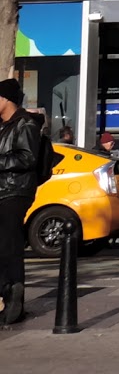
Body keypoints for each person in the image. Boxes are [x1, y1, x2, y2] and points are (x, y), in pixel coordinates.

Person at [0, 80, 43, 327]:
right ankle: (7, 295)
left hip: (15, 192)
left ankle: (14, 301)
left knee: (10, 246)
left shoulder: (25, 124)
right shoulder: (4, 126)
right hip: (3, 191)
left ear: (6, 100)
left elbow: (27, 157)